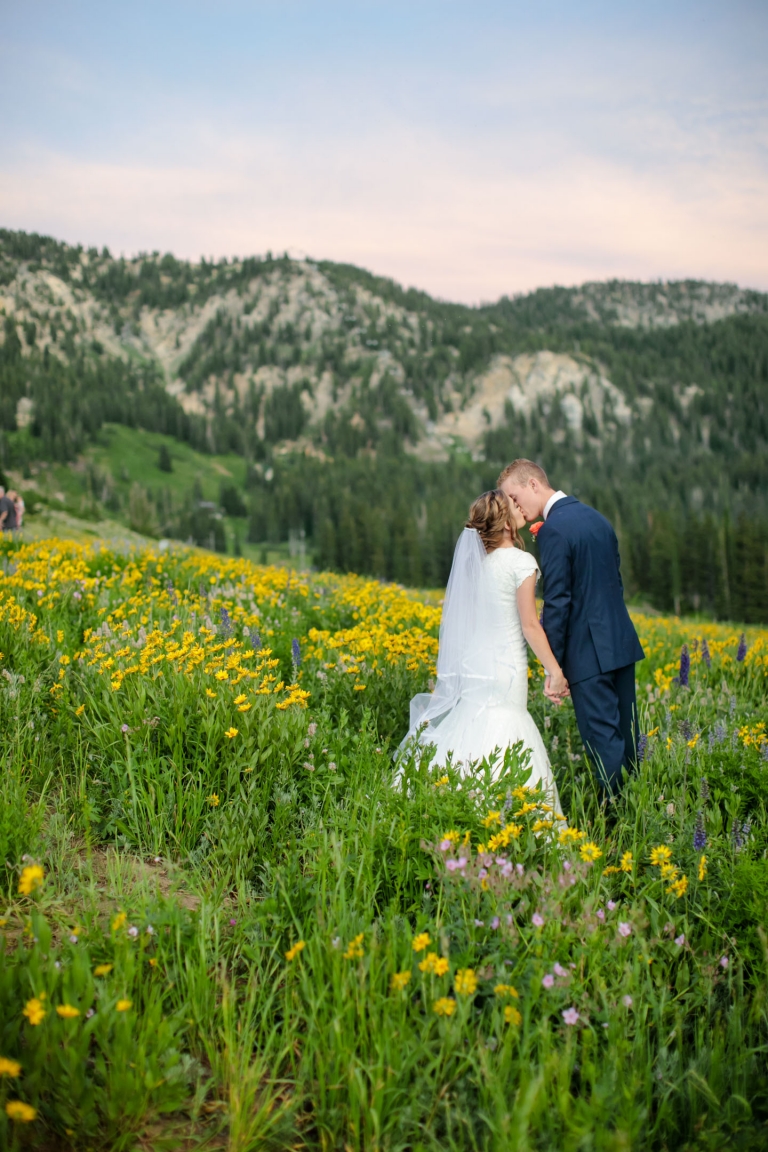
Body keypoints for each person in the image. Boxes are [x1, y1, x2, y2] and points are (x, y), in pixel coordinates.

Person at [398, 489, 566, 805]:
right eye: (514, 506)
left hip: (476, 670)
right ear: (505, 524)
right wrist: (554, 671)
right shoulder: (520, 561)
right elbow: (530, 625)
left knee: (474, 730)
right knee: (508, 732)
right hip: (506, 671)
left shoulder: (477, 566)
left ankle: (464, 802)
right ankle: (510, 811)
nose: (520, 509)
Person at [499, 459, 645, 796]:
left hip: (586, 654)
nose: (514, 506)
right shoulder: (597, 518)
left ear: (534, 484)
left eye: (515, 496)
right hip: (620, 643)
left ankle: (616, 819)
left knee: (603, 742)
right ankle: (638, 808)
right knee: (627, 738)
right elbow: (615, 583)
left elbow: (558, 602)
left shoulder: (553, 530)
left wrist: (555, 667)